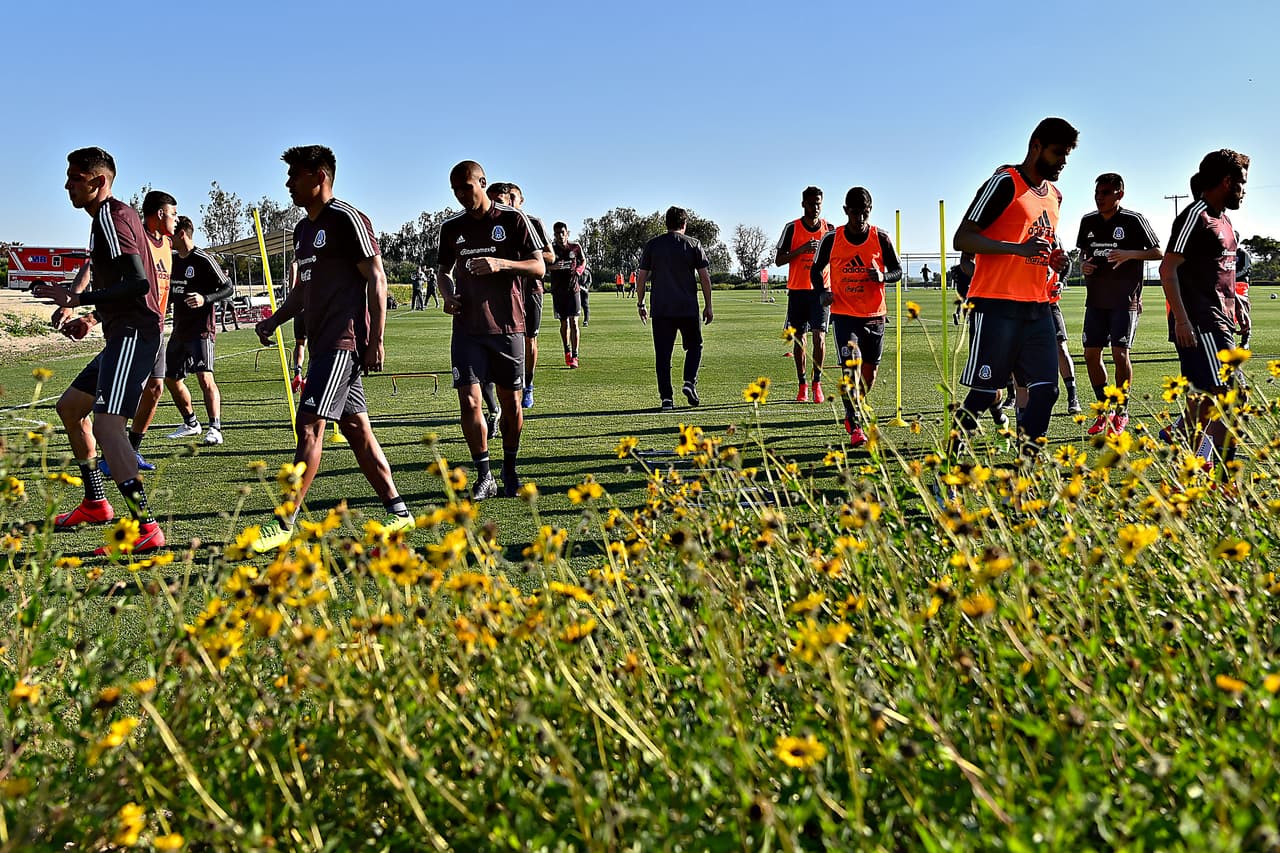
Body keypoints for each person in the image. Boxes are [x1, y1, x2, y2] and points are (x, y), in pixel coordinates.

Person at [246, 145, 414, 552]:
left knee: (309, 424)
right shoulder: (304, 231)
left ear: (319, 176)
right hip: (322, 343)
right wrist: (274, 320)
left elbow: (377, 278)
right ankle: (399, 511)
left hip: (344, 341)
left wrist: (376, 340)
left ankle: (284, 520)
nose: (288, 184)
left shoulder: (347, 219)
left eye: (294, 176)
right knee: (356, 430)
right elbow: (303, 290)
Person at [34, 147, 166, 552]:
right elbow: (124, 286)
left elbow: (139, 283)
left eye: (75, 177)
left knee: (109, 426)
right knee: (71, 408)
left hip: (134, 335)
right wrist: (91, 317)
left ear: (98, 181)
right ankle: (95, 503)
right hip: (120, 333)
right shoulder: (106, 220)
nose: (67, 184)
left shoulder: (111, 215)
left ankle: (144, 527)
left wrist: (76, 300)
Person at [952, 118, 1077, 452]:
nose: (1062, 161)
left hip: (1039, 307)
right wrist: (1016, 249)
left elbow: (1043, 243)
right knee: (983, 394)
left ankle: (1028, 475)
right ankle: (946, 469)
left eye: (1067, 155)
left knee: (1047, 390)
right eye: (1057, 153)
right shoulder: (1004, 182)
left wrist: (1054, 260)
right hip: (996, 305)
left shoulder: (1055, 195)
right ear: (1035, 146)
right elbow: (962, 238)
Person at [438, 161, 546, 498]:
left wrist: (501, 263)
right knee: (469, 403)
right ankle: (484, 475)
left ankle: (509, 467)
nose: (461, 195)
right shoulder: (450, 228)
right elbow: (443, 270)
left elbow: (539, 266)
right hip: (467, 328)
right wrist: (446, 293)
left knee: (511, 403)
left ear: (482, 183)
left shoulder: (513, 220)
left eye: (467, 187)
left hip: (508, 327)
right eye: (455, 189)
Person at [1159, 148, 1250, 465]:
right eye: (1242, 184)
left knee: (1202, 402)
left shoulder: (1223, 220)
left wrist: (1236, 304)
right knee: (1231, 398)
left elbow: (1219, 272)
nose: (1244, 191)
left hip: (1222, 321)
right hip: (1201, 324)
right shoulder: (1195, 216)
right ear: (1227, 181)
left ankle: (1197, 464)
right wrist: (1182, 322)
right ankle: (1225, 477)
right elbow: (1167, 269)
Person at [811, 187, 903, 448]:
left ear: (870, 210)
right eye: (855, 213)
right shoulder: (832, 238)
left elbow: (897, 271)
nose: (860, 218)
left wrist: (883, 276)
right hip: (844, 315)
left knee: (868, 375)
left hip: (874, 316)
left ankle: (856, 406)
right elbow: (816, 270)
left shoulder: (881, 238)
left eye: (864, 212)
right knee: (849, 368)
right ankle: (854, 421)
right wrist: (823, 292)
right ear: (845, 211)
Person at [1075, 173, 1162, 435]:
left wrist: (1129, 254)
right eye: (1097, 193)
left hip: (1125, 300)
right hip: (1096, 299)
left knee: (1119, 353)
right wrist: (1084, 265)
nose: (1099, 198)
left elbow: (1158, 251)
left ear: (1119, 194)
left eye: (1105, 193)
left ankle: (1121, 411)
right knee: (1091, 354)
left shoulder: (1133, 220)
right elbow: (1084, 253)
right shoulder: (1088, 221)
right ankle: (1104, 410)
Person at [163, 216, 233, 445]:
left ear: (181, 233)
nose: (168, 237)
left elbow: (228, 287)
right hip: (179, 330)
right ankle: (191, 423)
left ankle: (215, 429)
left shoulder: (203, 259)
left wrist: (205, 298)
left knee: (205, 377)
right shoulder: (172, 260)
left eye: (171, 233)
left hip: (201, 330)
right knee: (171, 379)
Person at [636, 206, 714, 411]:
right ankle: (689, 381)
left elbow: (642, 276)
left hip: (661, 309)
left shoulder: (653, 245)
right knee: (695, 346)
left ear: (666, 223)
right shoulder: (693, 244)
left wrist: (641, 302)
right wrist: (708, 305)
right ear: (684, 223)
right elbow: (705, 278)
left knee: (663, 355)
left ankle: (666, 399)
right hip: (687, 307)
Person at [488, 183, 554, 408]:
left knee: (529, 338)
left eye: (514, 198)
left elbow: (550, 256)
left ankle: (528, 384)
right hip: (506, 289)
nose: (510, 203)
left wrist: (525, 258)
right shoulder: (496, 223)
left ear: (521, 200)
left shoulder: (533, 223)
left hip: (531, 288)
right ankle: (505, 387)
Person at [775, 186, 835, 403]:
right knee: (800, 340)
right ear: (803, 204)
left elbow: (837, 260)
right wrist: (801, 249)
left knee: (819, 337)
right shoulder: (792, 228)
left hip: (821, 292)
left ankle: (817, 382)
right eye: (811, 204)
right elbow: (779, 260)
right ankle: (802, 385)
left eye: (818, 203)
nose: (815, 207)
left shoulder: (830, 229)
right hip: (798, 291)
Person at [549, 223, 587, 368]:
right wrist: (553, 267)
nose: (560, 235)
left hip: (573, 290)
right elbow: (541, 265)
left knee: (574, 322)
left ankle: (575, 356)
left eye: (562, 232)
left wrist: (578, 270)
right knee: (564, 323)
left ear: (567, 233)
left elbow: (583, 260)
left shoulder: (575, 247)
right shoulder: (551, 249)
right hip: (558, 291)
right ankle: (567, 351)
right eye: (557, 233)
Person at [1234, 232, 1252, 349]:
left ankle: (1245, 341)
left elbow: (1245, 269)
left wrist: (1230, 277)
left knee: (1241, 311)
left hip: (1240, 284)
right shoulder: (1222, 253)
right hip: (1226, 285)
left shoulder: (1242, 253)